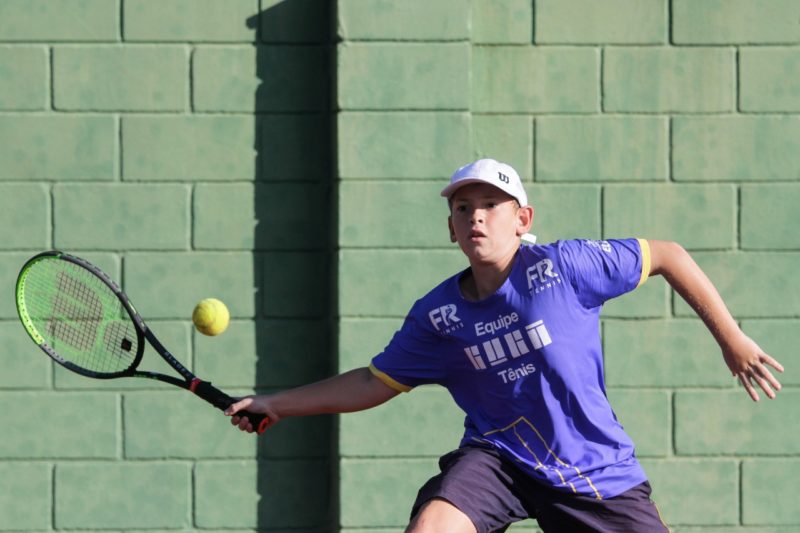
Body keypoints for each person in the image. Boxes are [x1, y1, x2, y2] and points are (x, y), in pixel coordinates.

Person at [225, 158, 784, 533]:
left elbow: (667, 254)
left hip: (593, 471)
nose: (476, 216)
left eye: (490, 206)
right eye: (463, 208)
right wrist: (277, 402)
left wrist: (731, 339)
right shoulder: (438, 316)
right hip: (499, 459)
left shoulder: (565, 268)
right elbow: (374, 381)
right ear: (451, 229)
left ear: (522, 220)